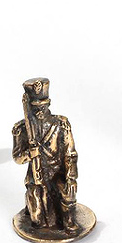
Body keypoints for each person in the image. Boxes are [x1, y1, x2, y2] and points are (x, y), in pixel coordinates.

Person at [12, 78, 79, 233]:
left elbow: (70, 154)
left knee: (68, 192)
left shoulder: (61, 124)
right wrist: (30, 153)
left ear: (49, 104)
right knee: (38, 221)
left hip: (57, 173)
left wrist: (71, 177)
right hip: (35, 179)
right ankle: (32, 206)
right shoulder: (22, 129)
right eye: (35, 107)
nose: (40, 110)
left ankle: (68, 221)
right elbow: (17, 158)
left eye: (43, 106)